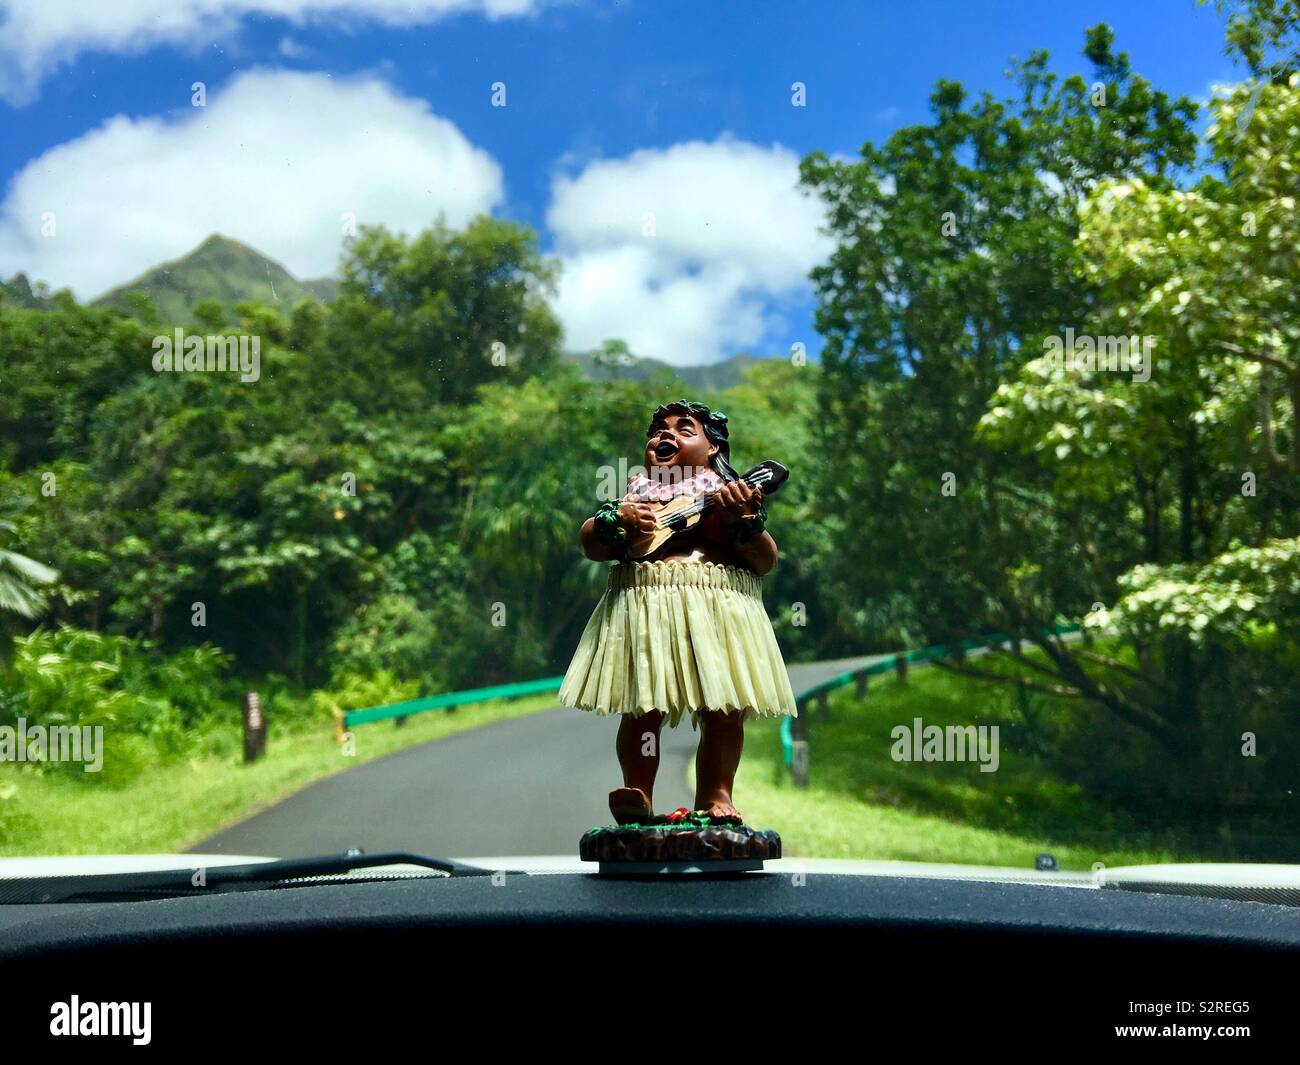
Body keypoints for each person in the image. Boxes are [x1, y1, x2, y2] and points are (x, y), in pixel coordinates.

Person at [559, 399, 797, 823]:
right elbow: (591, 543)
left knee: (724, 708)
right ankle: (639, 791)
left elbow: (764, 561)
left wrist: (744, 521)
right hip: (646, 609)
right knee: (641, 707)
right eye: (659, 430)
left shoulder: (725, 496)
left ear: (713, 451)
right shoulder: (635, 498)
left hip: (714, 608)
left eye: (685, 429)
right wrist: (616, 522)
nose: (666, 434)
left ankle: (717, 795)